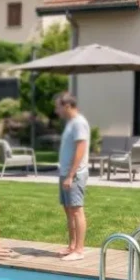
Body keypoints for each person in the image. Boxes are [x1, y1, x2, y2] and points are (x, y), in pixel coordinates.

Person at [54, 92, 89, 261]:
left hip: (74, 175)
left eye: (58, 106)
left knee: (76, 210)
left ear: (67, 106)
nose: (56, 110)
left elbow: (80, 149)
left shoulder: (79, 123)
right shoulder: (71, 123)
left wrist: (70, 175)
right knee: (69, 210)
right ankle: (72, 246)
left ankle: (80, 250)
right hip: (66, 173)